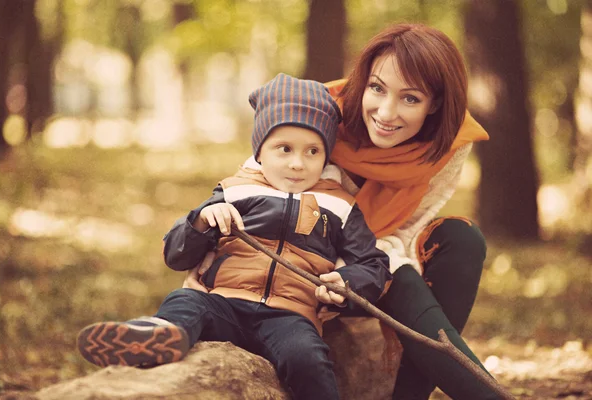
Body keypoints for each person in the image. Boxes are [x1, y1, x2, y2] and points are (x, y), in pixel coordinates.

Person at [185, 24, 501, 399]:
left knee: (460, 239)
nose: (386, 112)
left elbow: (403, 231)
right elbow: (251, 189)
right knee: (398, 277)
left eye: (410, 99)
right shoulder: (316, 111)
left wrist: (354, 273)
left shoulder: (447, 142)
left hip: (363, 269)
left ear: (434, 104)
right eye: (377, 88)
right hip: (295, 272)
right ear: (362, 80)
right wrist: (205, 264)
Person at [76, 73, 393, 400]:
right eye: (284, 149)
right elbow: (175, 254)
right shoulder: (235, 191)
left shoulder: (339, 205)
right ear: (260, 150)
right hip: (223, 302)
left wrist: (346, 281)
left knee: (308, 359)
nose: (298, 163)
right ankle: (156, 339)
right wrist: (200, 223)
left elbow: (373, 263)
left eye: (313, 151)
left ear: (326, 155)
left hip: (290, 316)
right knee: (186, 302)